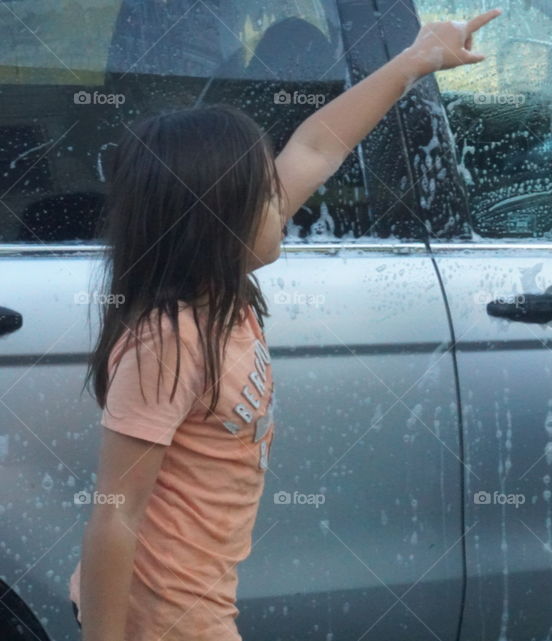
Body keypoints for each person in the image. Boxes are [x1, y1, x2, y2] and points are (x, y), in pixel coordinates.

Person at [69, 10, 501, 641]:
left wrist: (414, 61)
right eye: (267, 196)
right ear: (217, 219)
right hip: (163, 621)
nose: (285, 203)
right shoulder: (169, 337)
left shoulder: (223, 281)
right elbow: (116, 515)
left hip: (196, 601)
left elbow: (320, 144)